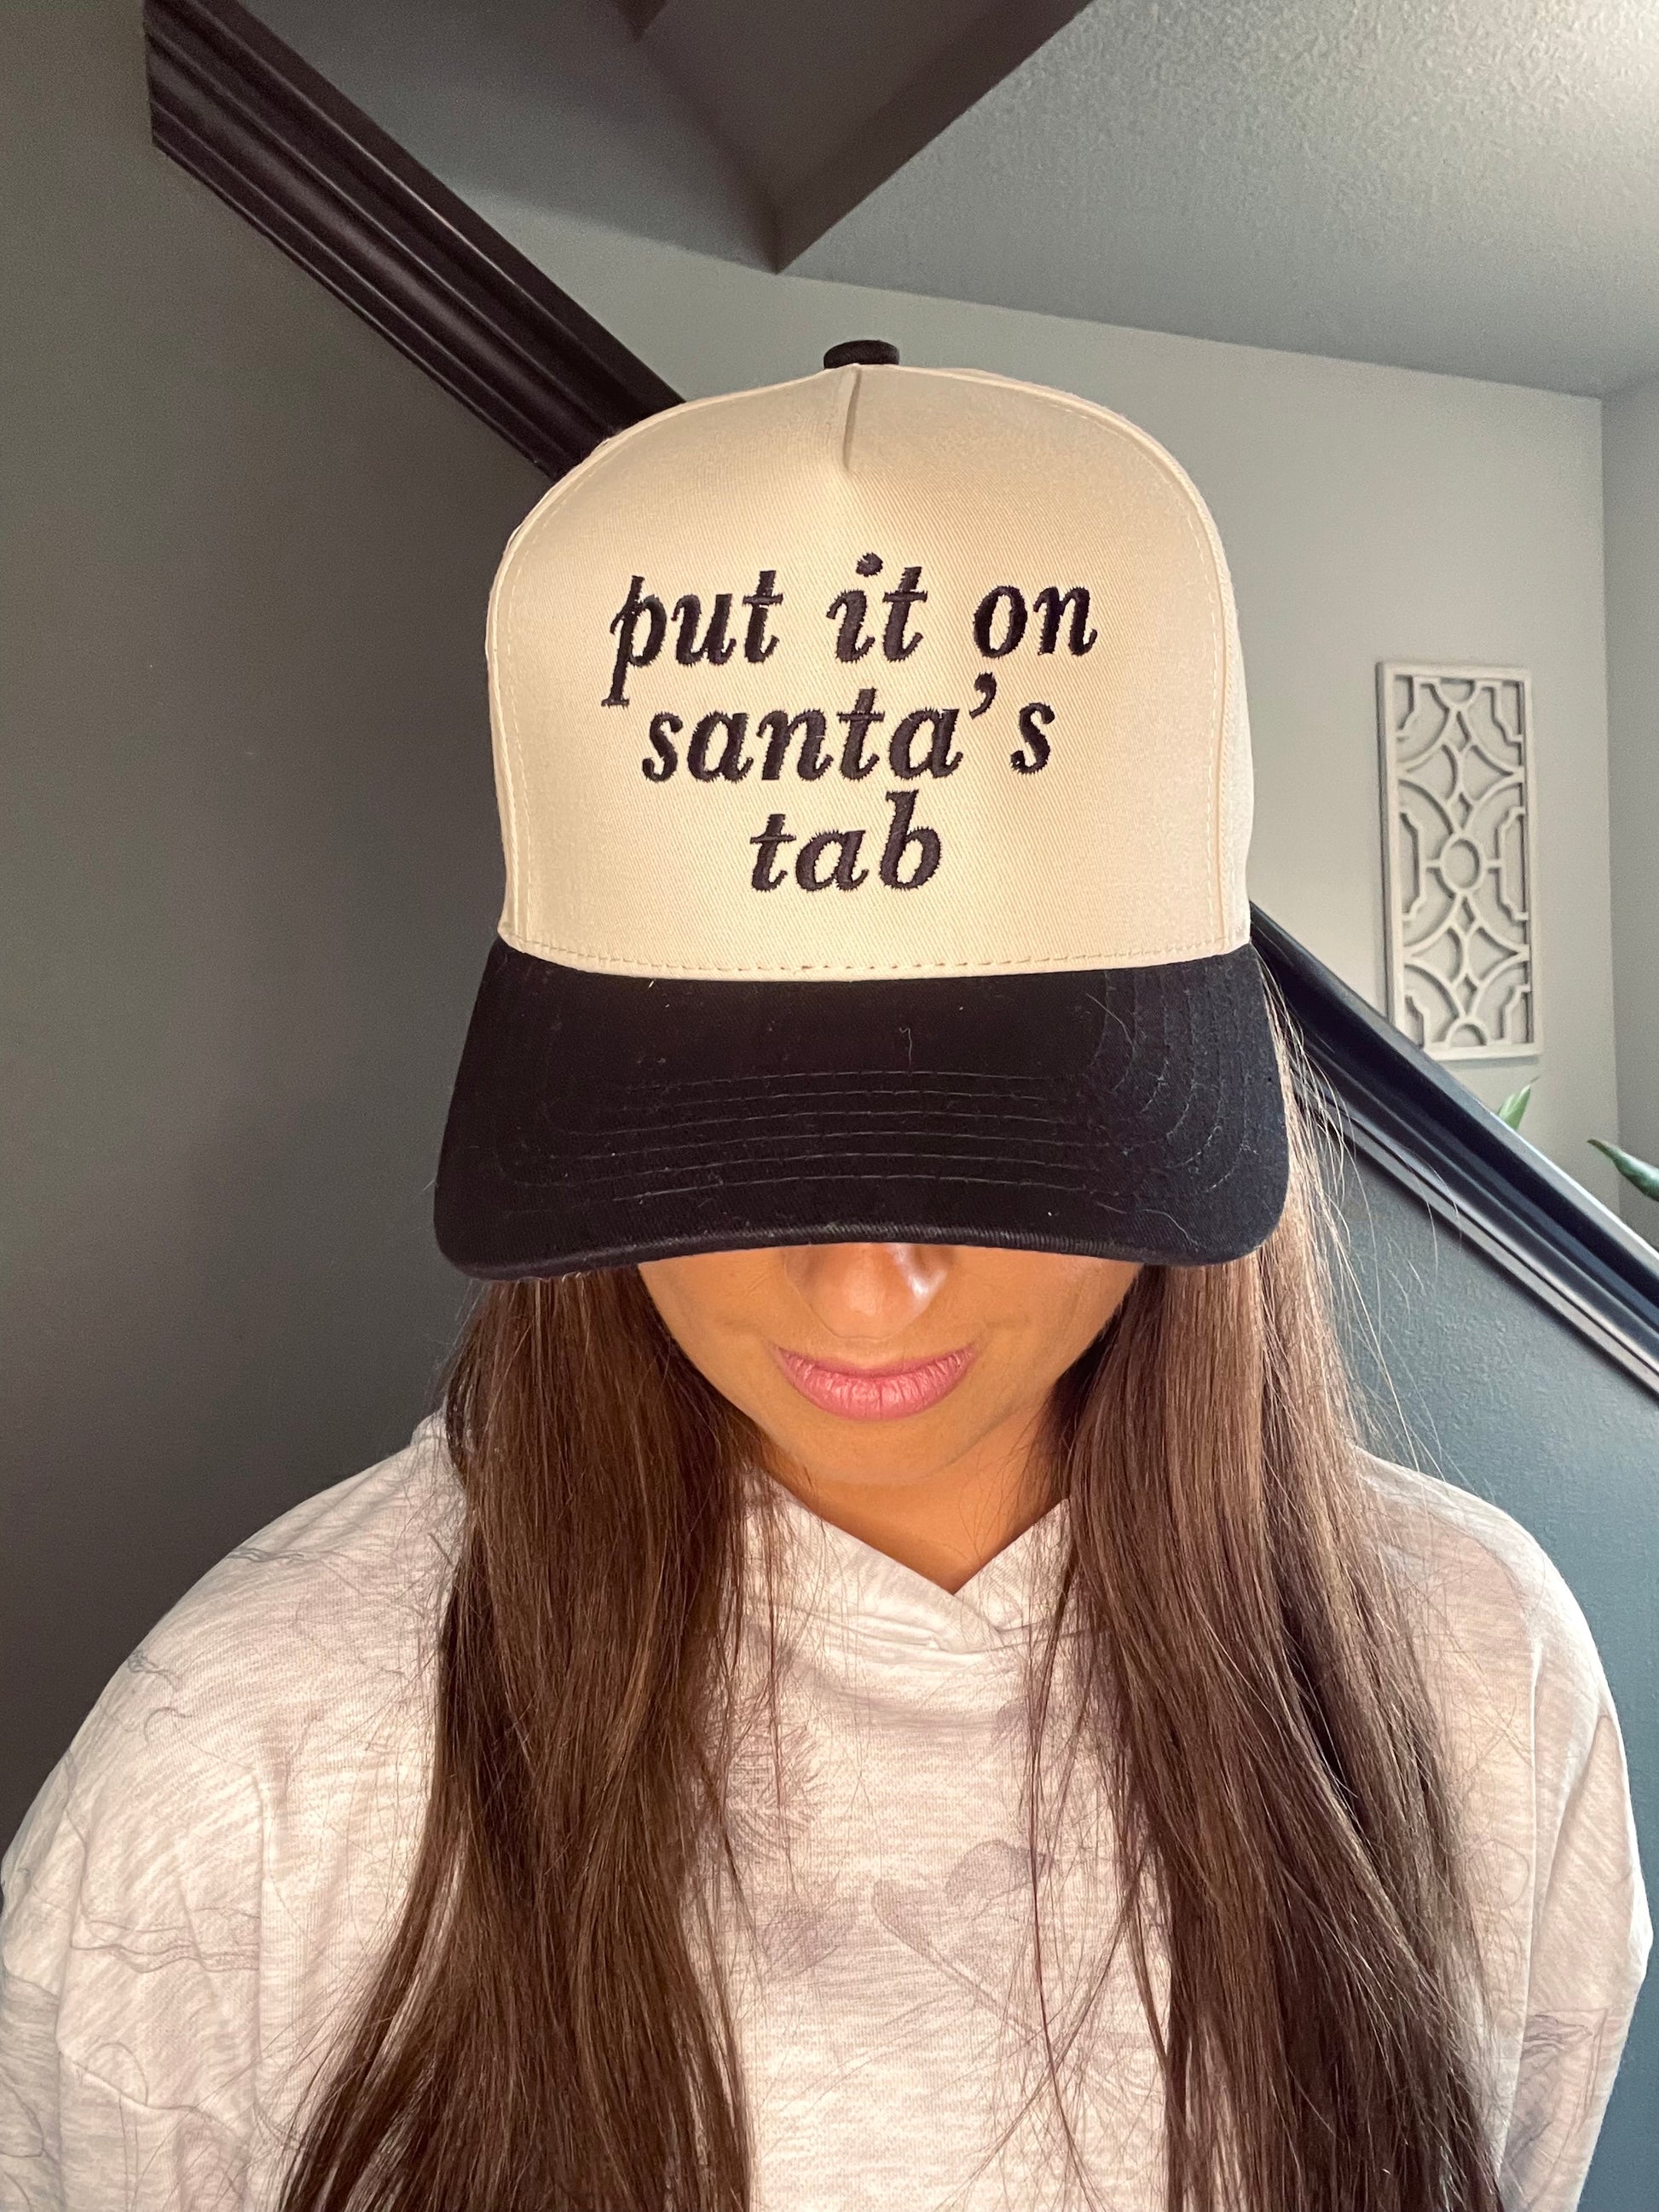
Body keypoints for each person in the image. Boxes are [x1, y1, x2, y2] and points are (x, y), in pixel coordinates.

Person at [0, 344, 1648, 2212]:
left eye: (1001, 1148)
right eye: (733, 1148)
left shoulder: (1473, 1673)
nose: (869, 1290)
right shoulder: (241, 1764)